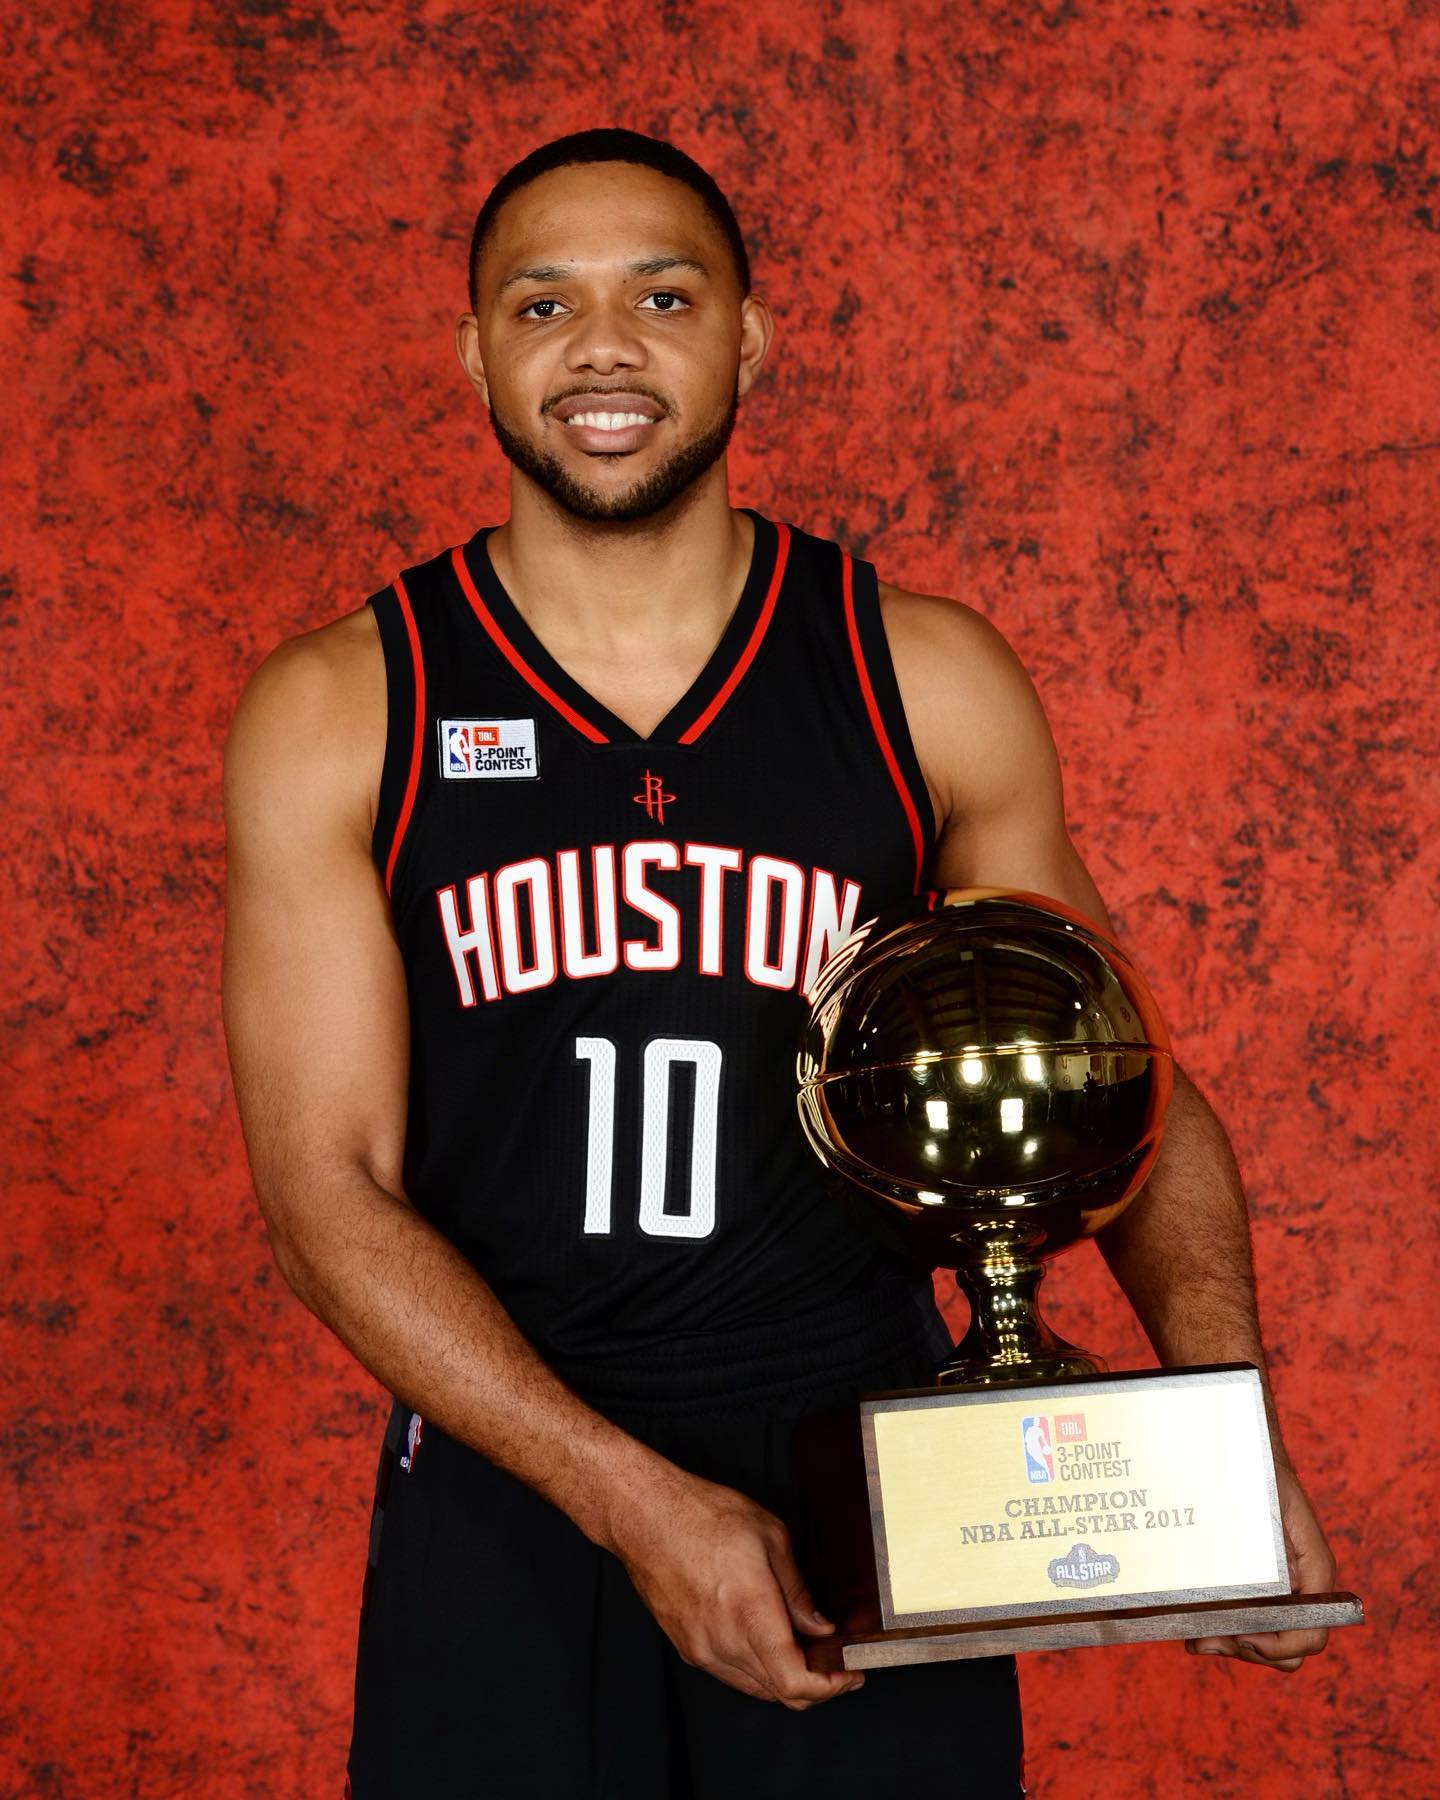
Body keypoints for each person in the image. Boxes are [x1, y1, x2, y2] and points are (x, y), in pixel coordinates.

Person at [221, 129, 1337, 1799]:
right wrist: (634, 1502)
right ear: (474, 352)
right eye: (543, 304)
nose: (603, 348)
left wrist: (1222, 1435)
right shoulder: (346, 706)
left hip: (868, 1483)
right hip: (511, 1487)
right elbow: (326, 1193)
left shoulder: (918, 677)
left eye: (663, 298)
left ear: (750, 337)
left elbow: (1118, 1078)